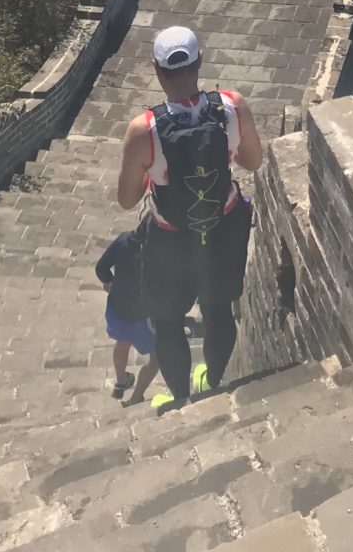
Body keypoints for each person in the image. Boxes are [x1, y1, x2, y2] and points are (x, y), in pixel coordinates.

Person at [115, 25, 263, 414]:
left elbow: (128, 200)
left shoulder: (143, 129)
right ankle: (212, 382)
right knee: (217, 309)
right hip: (224, 229)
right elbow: (253, 161)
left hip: (169, 241)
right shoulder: (231, 105)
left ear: (157, 71)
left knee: (167, 321)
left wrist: (152, 172)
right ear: (199, 63)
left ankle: (180, 398)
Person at [95, 230, 159, 404]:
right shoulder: (159, 251)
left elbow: (101, 269)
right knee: (157, 358)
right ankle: (136, 397)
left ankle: (121, 379)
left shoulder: (124, 239)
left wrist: (110, 282)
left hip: (116, 310)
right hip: (141, 318)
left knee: (122, 343)